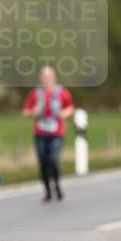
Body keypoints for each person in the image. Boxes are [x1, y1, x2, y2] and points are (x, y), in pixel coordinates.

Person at [22, 64, 74, 201]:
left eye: (49, 76)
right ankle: (47, 191)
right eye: (44, 77)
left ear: (54, 77)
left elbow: (70, 107)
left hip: (57, 132)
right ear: (41, 78)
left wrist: (64, 114)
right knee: (43, 162)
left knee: (53, 160)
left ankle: (57, 186)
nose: (47, 79)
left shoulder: (61, 92)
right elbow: (25, 111)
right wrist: (34, 112)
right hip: (40, 132)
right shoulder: (36, 93)